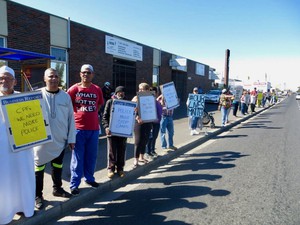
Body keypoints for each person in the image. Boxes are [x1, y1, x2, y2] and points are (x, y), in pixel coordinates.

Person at [33, 68, 76, 210]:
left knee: (57, 166)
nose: (54, 79)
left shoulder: (65, 97)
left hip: (60, 140)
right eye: (50, 76)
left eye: (56, 76)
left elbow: (71, 118)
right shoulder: (36, 95)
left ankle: (57, 188)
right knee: (38, 168)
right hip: (41, 142)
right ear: (45, 79)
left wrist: (71, 138)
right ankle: (37, 195)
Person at [0, 66, 35, 224]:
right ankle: (5, 212)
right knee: (5, 181)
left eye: (7, 78)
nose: (3, 81)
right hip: (2, 152)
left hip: (22, 150)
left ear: (14, 81)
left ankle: (24, 206)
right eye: (1, 78)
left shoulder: (24, 99)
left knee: (22, 177)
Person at [67, 64, 104, 196]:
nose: (86, 75)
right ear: (80, 74)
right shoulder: (73, 90)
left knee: (91, 156)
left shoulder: (97, 89)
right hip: (78, 129)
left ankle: (89, 179)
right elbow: (67, 106)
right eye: (84, 72)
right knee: (77, 158)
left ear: (92, 75)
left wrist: (91, 114)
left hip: (94, 129)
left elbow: (99, 104)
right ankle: (74, 184)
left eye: (88, 73)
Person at [102, 86, 127, 178]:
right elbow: (104, 117)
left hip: (123, 131)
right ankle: (111, 169)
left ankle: (120, 168)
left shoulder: (127, 103)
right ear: (116, 93)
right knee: (112, 151)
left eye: (123, 92)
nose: (121, 94)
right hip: (112, 131)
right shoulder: (110, 102)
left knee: (121, 151)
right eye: (119, 92)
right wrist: (106, 127)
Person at [131, 83, 153, 168]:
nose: (140, 91)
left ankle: (141, 157)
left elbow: (152, 109)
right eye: (139, 89)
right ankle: (135, 159)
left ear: (147, 90)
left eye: (142, 89)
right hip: (138, 122)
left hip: (147, 122)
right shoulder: (135, 98)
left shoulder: (150, 98)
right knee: (138, 141)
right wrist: (137, 117)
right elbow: (131, 111)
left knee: (145, 140)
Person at [145, 86, 162, 159]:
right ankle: (148, 152)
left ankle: (152, 150)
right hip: (151, 122)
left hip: (157, 122)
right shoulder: (149, 102)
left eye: (156, 92)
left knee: (154, 137)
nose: (155, 94)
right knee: (150, 137)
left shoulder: (157, 101)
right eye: (153, 93)